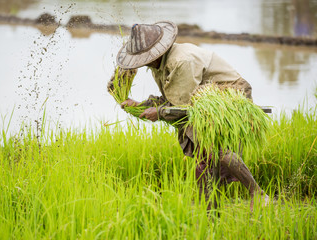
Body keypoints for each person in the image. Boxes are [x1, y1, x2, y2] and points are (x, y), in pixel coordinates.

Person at [111, 21, 269, 210]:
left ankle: (257, 193)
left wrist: (159, 113)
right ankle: (211, 218)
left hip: (229, 95)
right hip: (200, 101)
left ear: (156, 53)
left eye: (144, 58)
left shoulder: (181, 61)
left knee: (216, 151)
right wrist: (140, 106)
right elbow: (171, 97)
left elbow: (180, 106)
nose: (143, 63)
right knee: (204, 166)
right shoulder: (159, 65)